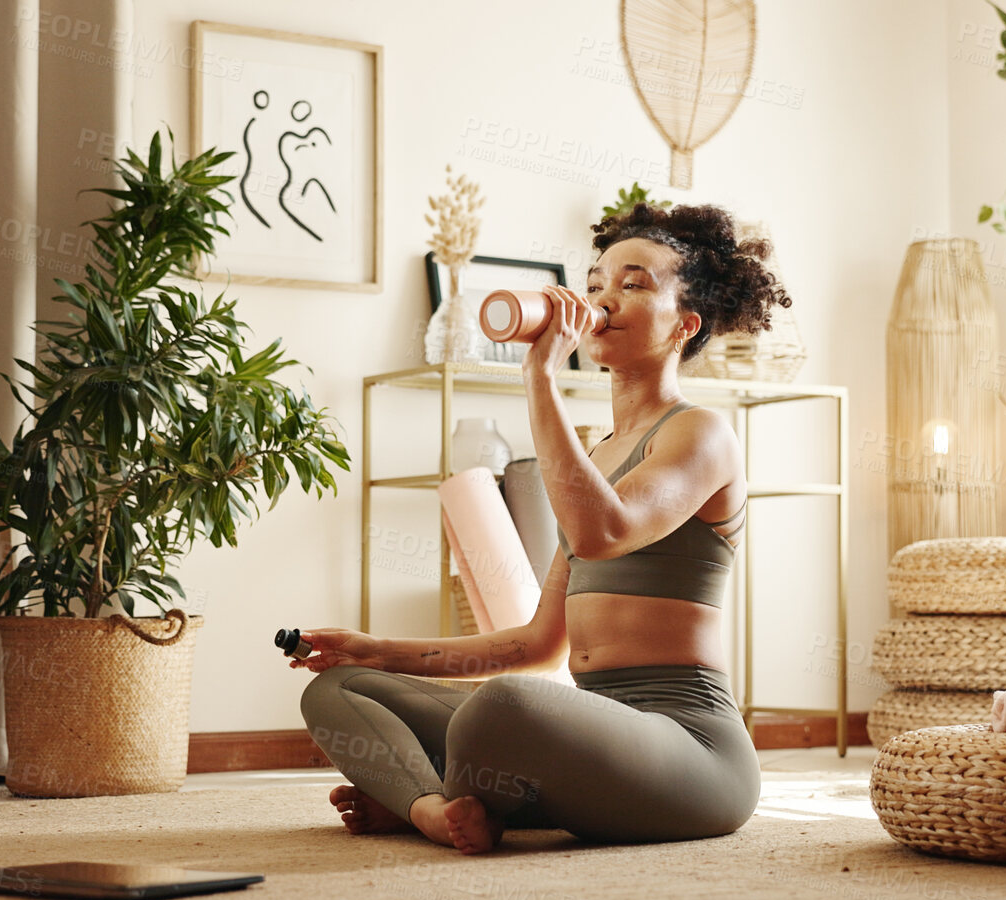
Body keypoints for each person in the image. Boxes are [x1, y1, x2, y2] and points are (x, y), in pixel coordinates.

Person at [294, 202, 791, 854]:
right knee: (339, 689)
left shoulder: (701, 433)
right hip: (588, 732)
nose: (602, 299)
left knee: (503, 710)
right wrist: (372, 648)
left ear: (683, 325)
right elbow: (537, 643)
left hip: (689, 750)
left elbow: (601, 534)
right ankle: (428, 809)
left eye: (633, 284)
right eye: (594, 285)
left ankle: (429, 793)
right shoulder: (598, 456)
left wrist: (538, 373)